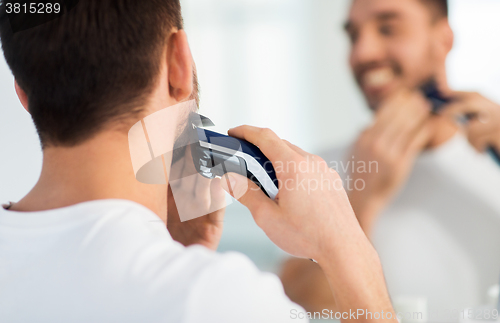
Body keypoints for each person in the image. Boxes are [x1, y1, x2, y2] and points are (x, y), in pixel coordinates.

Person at [0, 1, 396, 322]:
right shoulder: (220, 300)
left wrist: (178, 260)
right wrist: (344, 245)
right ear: (179, 64)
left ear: (24, 93)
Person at [280, 0, 500, 318]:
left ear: (443, 39)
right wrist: (358, 201)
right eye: (354, 36)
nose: (362, 53)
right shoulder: (315, 171)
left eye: (388, 28)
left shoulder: (494, 158)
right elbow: (293, 313)